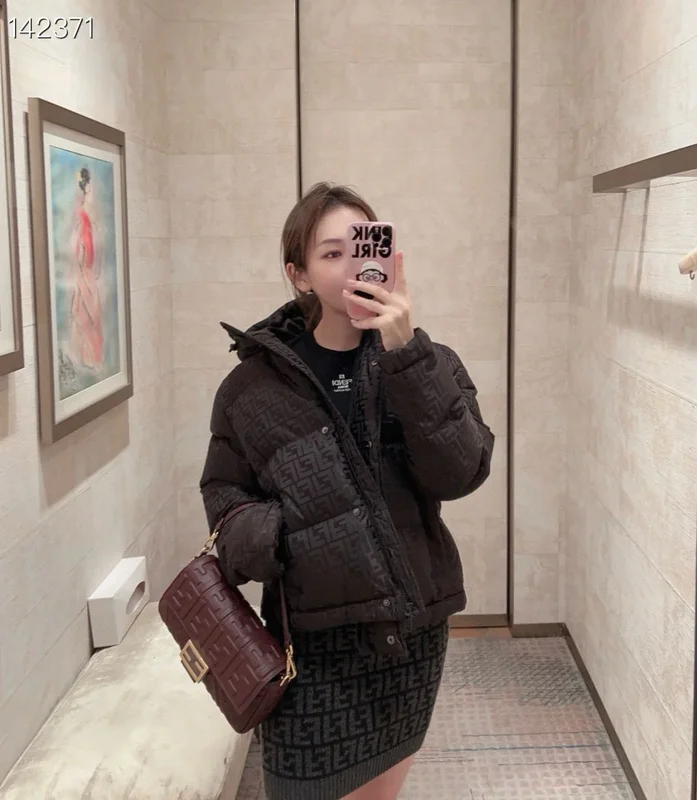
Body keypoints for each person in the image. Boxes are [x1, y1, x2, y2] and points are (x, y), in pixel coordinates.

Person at [200, 182, 494, 800]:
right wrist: (284, 536)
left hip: (410, 635)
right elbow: (224, 497)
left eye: (363, 247)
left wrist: (406, 352)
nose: (351, 264)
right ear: (299, 274)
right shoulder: (251, 388)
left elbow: (462, 472)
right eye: (330, 253)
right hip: (311, 642)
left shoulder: (426, 361)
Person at [69, 166, 104, 372]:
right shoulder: (82, 217)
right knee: (85, 315)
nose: (92, 195)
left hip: (87, 273)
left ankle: (92, 358)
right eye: (89, 191)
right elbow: (80, 250)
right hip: (84, 274)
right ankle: (87, 358)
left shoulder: (89, 219)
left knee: (91, 315)